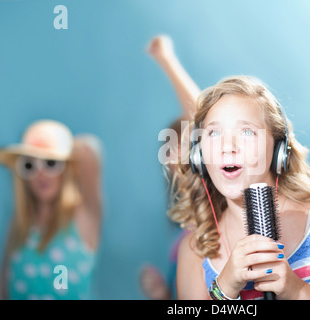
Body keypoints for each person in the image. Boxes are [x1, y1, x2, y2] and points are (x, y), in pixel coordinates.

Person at [169, 75, 310, 300]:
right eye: (214, 133)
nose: (228, 147)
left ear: (279, 149)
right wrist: (224, 289)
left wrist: (297, 290)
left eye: (246, 132)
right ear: (199, 156)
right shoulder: (195, 250)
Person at [0, 120, 102, 300]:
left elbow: (90, 152)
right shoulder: (18, 225)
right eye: (29, 165)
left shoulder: (83, 217)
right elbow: (1, 292)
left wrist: (66, 147)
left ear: (67, 168)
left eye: (51, 163)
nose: (41, 174)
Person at [139, 35, 199, 300]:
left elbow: (203, 117)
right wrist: (162, 293)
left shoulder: (225, 209)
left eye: (186, 143)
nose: (174, 154)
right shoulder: (180, 227)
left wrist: (167, 60)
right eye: (170, 148)